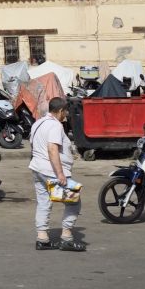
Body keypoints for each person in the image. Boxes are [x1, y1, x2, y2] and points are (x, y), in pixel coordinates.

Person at [28, 97, 85, 251]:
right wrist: (60, 174)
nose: (66, 114)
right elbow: (52, 148)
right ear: (60, 111)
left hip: (38, 169)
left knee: (43, 202)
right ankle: (66, 237)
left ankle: (42, 239)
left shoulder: (38, 123)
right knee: (73, 201)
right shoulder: (55, 126)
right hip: (51, 171)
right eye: (65, 111)